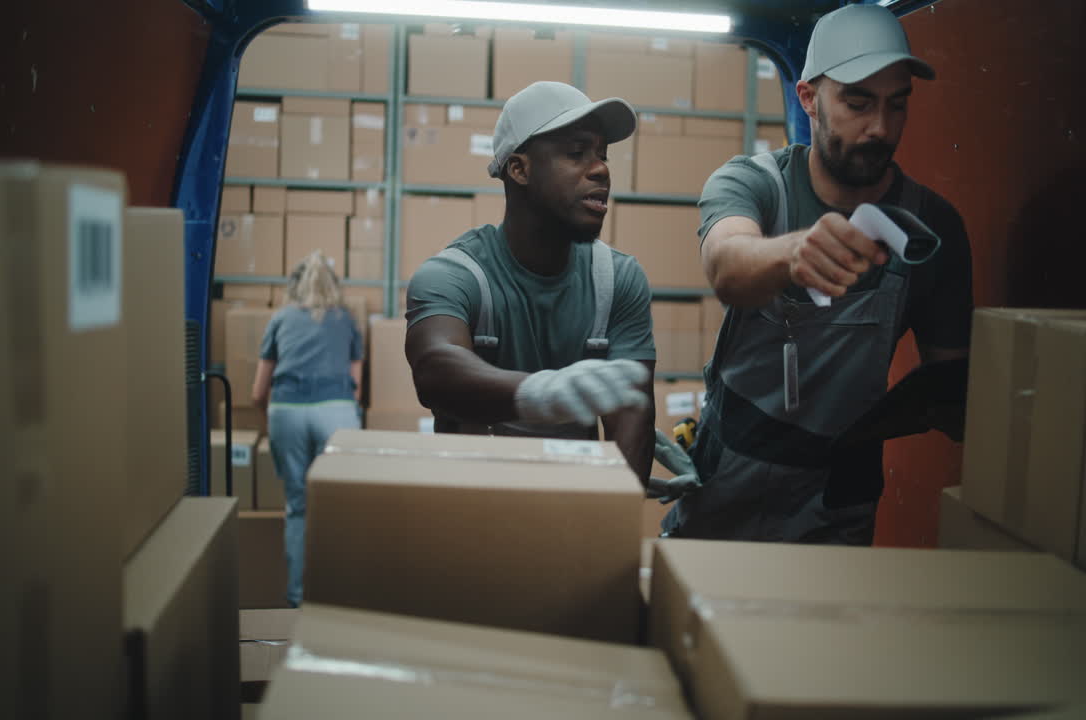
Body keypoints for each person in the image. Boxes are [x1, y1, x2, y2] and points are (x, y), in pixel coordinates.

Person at [660, 4, 974, 543]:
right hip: (732, 472)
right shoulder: (754, 184)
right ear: (808, 98)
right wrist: (791, 255)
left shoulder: (931, 227)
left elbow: (954, 387)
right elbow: (727, 264)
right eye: (857, 102)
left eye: (896, 105)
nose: (879, 127)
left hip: (840, 495)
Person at [404, 81, 657, 485]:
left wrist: (618, 508)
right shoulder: (455, 276)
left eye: (602, 155)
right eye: (576, 153)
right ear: (519, 168)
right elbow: (436, 370)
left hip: (576, 516)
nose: (601, 169)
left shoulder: (618, 281)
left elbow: (632, 413)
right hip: (467, 511)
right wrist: (544, 393)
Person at [251, 251, 364, 606]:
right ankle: (337, 597)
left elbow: (258, 392)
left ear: (293, 287)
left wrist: (271, 413)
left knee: (298, 506)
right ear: (335, 287)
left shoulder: (280, 318)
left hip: (287, 411)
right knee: (336, 504)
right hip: (336, 412)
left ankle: (298, 599)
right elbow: (355, 384)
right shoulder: (345, 319)